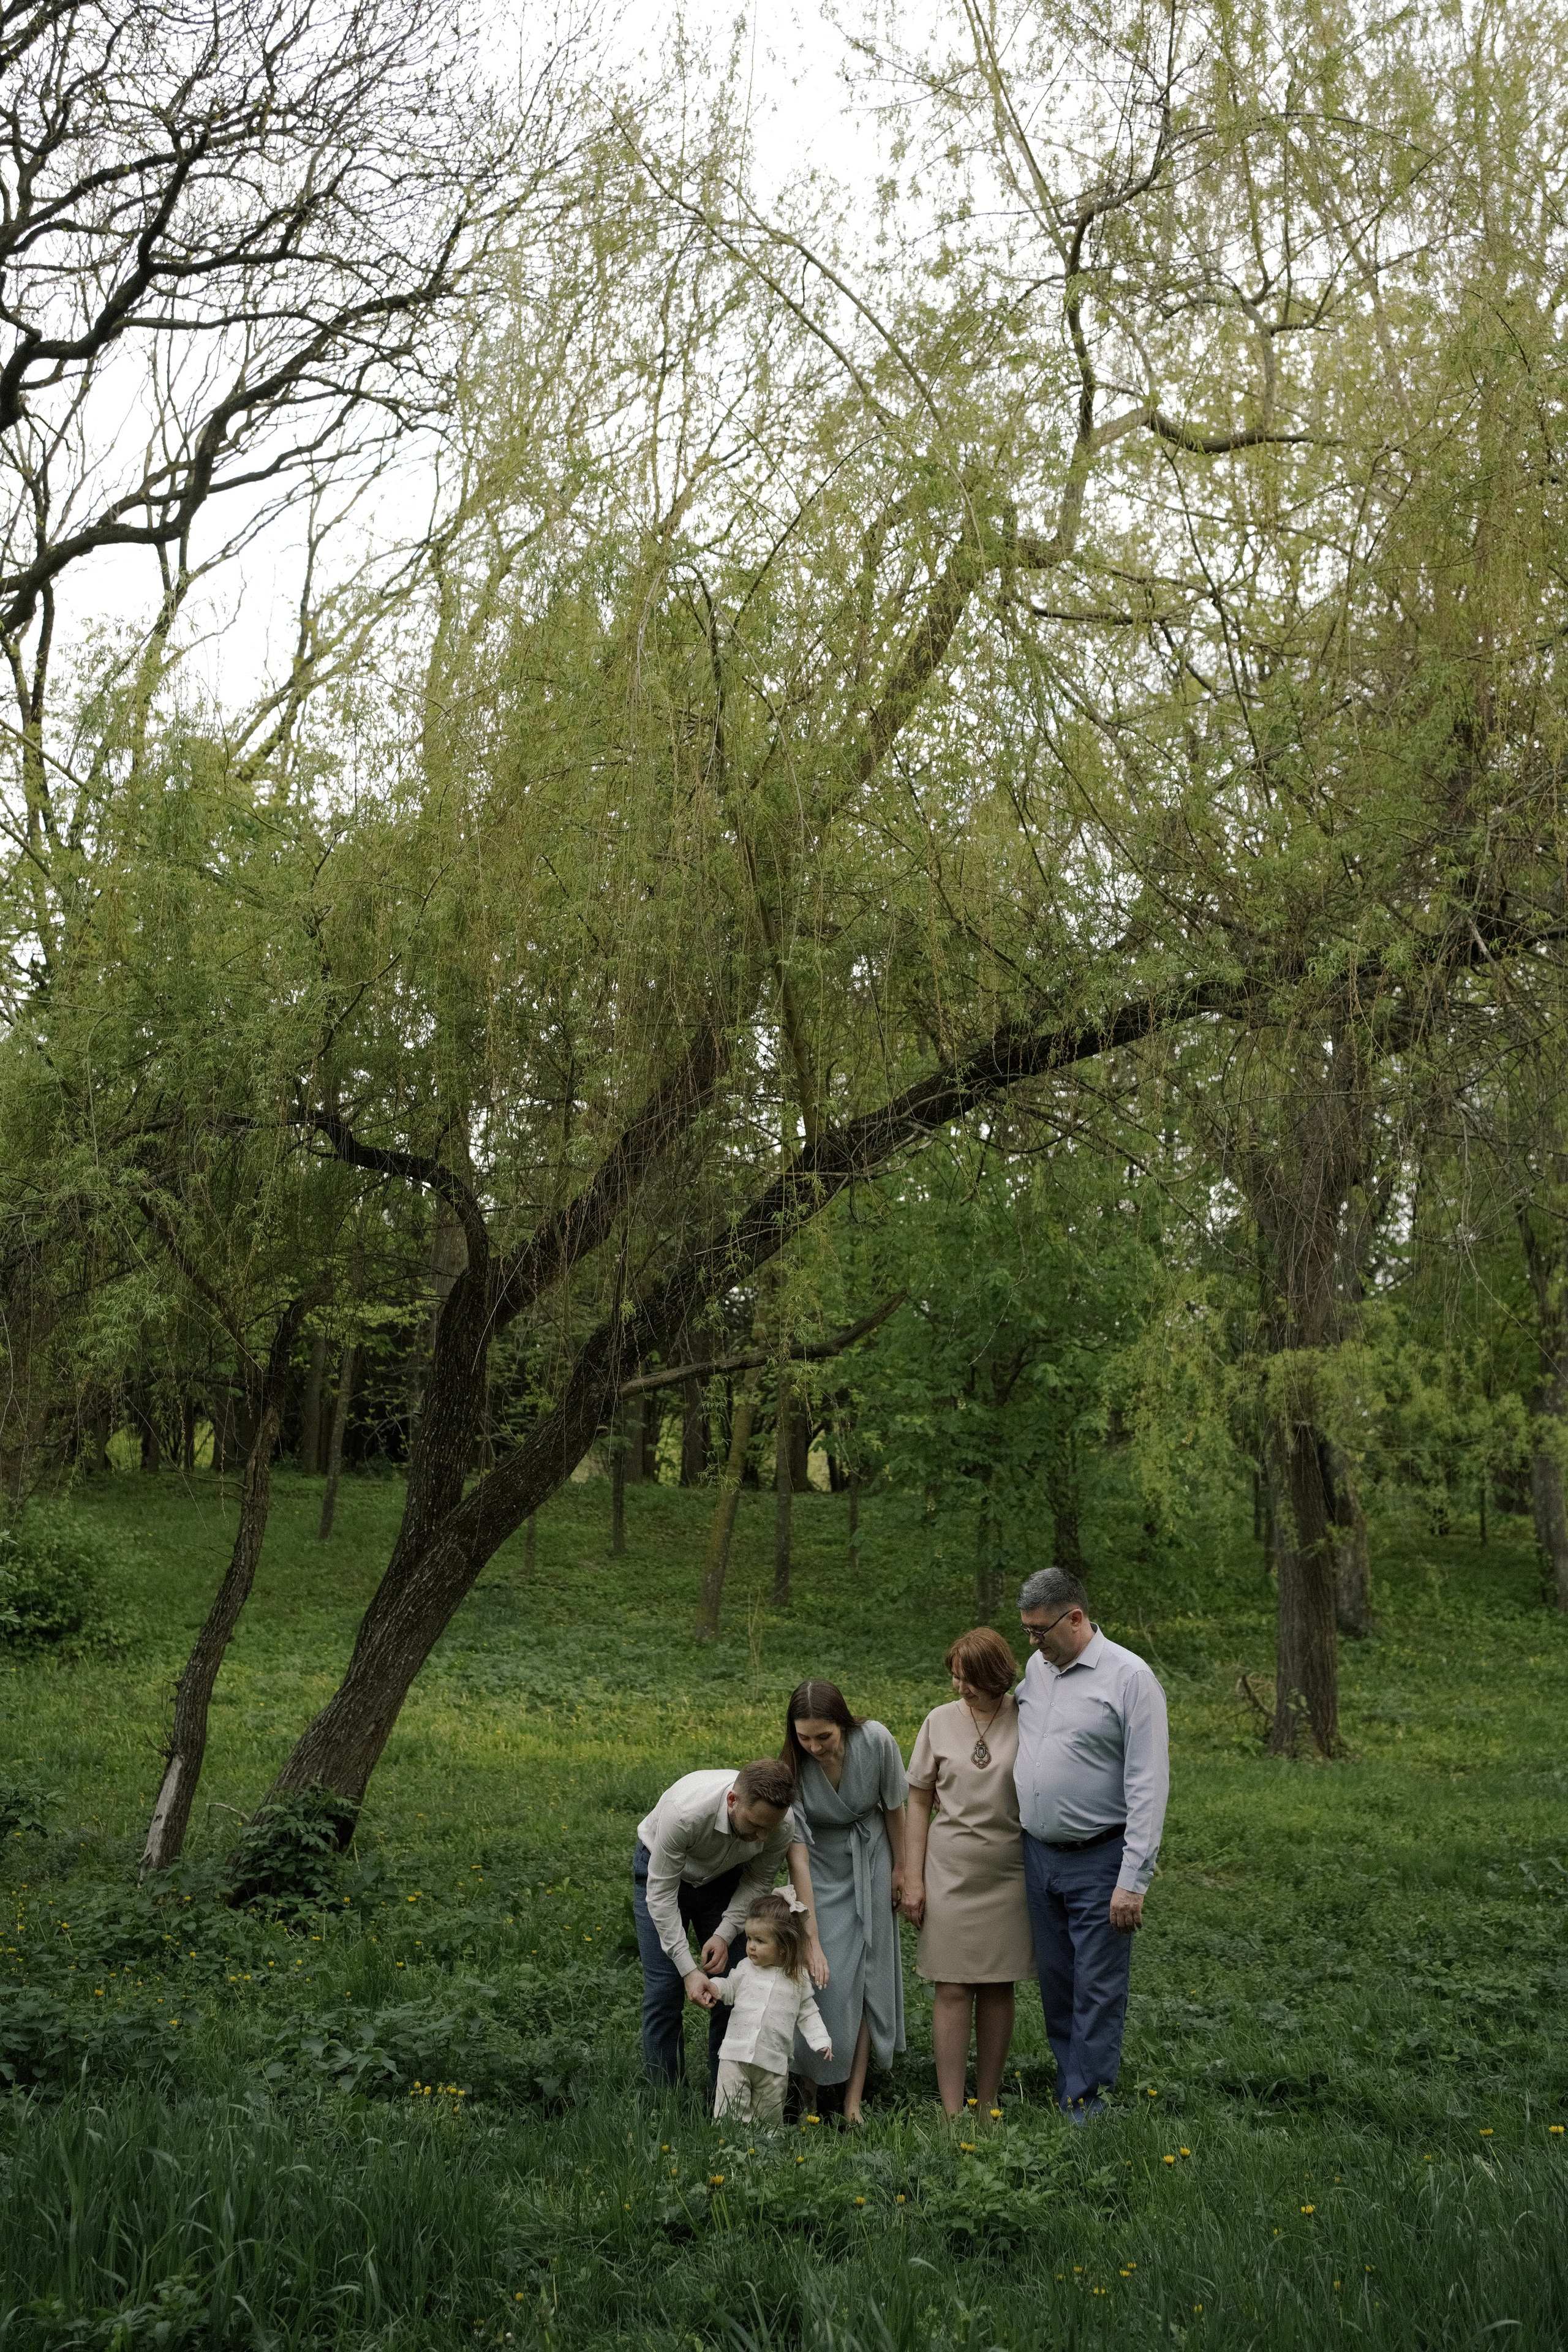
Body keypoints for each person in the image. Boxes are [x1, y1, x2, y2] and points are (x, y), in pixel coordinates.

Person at [1014, 1566, 1170, 2121]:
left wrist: (1134, 1879)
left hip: (1101, 1857)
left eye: (1040, 1630)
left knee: (1097, 1989)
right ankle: (1070, 2083)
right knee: (1057, 1983)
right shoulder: (1038, 1669)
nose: (1031, 1642)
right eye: (1027, 1630)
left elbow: (1149, 1784)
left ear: (1076, 1618)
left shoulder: (1130, 1678)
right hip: (1039, 1856)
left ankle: (1087, 2109)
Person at [902, 1627, 1035, 2116]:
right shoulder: (938, 1722)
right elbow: (917, 1799)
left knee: (999, 1984)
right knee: (952, 1986)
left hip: (1009, 1870)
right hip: (950, 1870)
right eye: (956, 1678)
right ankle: (952, 2110)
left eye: (970, 1679)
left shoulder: (1028, 1718)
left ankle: (989, 2103)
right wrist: (913, 1878)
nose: (961, 1688)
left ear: (997, 1675)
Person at [632, 1758, 815, 2091]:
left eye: (769, 1829)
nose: (762, 1836)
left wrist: (723, 1933)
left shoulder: (779, 1824)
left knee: (734, 1986)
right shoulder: (685, 1814)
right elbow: (660, 1897)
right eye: (756, 1825)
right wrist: (688, 1970)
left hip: (724, 1881)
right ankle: (666, 2101)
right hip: (662, 1874)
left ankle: (726, 2099)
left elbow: (758, 1881)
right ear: (733, 1801)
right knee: (664, 1990)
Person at [781, 1679, 908, 2125]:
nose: (813, 1746)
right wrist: (809, 1932)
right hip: (818, 1866)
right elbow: (796, 1854)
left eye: (824, 1736)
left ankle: (853, 2100)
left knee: (869, 1977)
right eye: (803, 1737)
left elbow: (895, 1806)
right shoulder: (791, 1767)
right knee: (822, 1977)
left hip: (872, 1856)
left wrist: (902, 1869)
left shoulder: (876, 1740)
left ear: (844, 1724)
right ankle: (810, 2093)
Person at [704, 1891, 833, 2127]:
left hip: (773, 2062)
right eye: (749, 1939)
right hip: (736, 2054)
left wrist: (821, 2040)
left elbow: (808, 2013)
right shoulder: (745, 1968)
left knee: (768, 2118)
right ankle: (727, 2148)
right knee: (728, 2112)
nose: (751, 1947)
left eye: (760, 1941)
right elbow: (730, 1987)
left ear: (784, 1946)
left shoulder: (798, 1979)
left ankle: (765, 2154)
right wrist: (713, 1987)